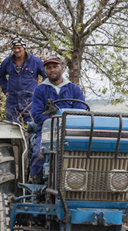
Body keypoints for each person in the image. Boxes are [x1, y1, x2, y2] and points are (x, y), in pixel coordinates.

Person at [30, 55, 86, 183]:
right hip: (48, 131)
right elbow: (37, 115)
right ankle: (37, 184)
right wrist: (53, 120)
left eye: (55, 66)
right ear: (45, 71)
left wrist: (64, 121)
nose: (52, 70)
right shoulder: (40, 90)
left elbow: (82, 113)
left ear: (62, 68)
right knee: (39, 154)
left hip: (71, 132)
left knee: (84, 154)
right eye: (48, 68)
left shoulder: (75, 89)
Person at [0, 36, 46, 124]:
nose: (16, 50)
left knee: (32, 126)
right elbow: (0, 76)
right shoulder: (7, 62)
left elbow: (46, 75)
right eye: (14, 48)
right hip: (12, 101)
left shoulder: (35, 61)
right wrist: (5, 90)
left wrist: (40, 91)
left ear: (24, 47)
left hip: (30, 101)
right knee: (12, 127)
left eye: (19, 47)